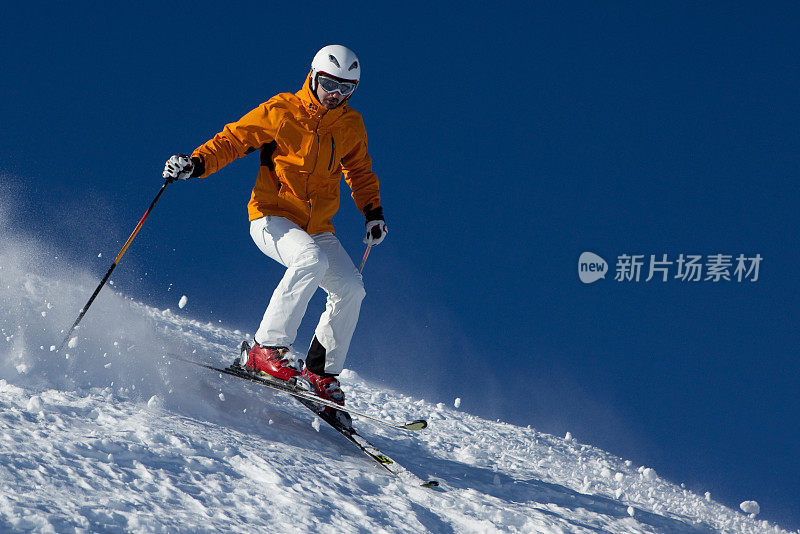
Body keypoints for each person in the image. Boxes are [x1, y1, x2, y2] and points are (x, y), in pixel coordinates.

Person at [162, 45, 387, 413]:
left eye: (345, 90)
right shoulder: (282, 110)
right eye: (329, 84)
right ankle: (263, 349)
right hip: (271, 216)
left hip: (316, 227)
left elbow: (360, 171)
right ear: (313, 76)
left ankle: (321, 373)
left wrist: (373, 212)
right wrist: (196, 163)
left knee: (351, 288)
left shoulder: (350, 125)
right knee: (310, 261)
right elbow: (235, 138)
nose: (335, 95)